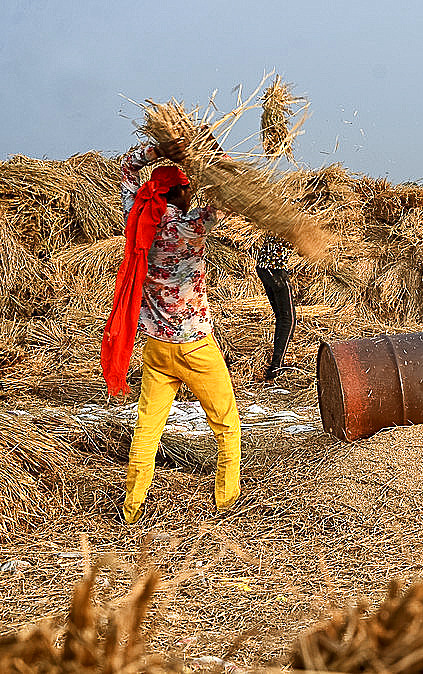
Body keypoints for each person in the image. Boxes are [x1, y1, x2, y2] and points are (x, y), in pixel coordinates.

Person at [102, 136, 240, 524]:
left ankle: (131, 510)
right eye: (188, 188)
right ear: (179, 192)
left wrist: (158, 148)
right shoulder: (193, 226)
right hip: (196, 346)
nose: (192, 192)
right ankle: (227, 503)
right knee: (227, 425)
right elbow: (229, 189)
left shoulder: (139, 217)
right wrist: (209, 149)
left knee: (147, 426)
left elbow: (127, 168)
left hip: (157, 348)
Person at [255, 233, 297, 381]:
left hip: (264, 268)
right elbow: (297, 243)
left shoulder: (279, 215)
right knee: (288, 319)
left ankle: (277, 364)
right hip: (274, 269)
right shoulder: (291, 219)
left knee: (282, 317)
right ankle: (276, 367)